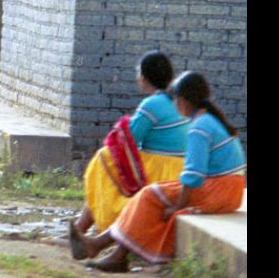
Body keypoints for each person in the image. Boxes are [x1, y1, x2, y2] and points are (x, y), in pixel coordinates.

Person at [71, 71, 246, 272]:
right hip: (227, 188)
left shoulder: (200, 127)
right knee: (150, 194)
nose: (174, 105)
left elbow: (194, 175)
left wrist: (177, 205)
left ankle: (105, 248)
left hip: (219, 190)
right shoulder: (207, 119)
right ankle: (110, 251)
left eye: (176, 100)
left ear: (183, 101)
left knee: (149, 196)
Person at [70, 50, 189, 257]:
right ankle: (83, 229)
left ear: (143, 77)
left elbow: (129, 139)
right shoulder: (176, 100)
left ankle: (82, 227)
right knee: (107, 161)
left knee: (104, 159)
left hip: (163, 168)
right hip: (180, 167)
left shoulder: (152, 104)